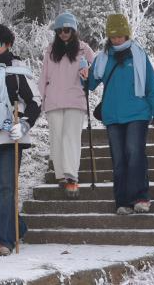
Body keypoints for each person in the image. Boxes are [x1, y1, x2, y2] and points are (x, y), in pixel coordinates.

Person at [85, 13, 154, 215]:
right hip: (112, 115)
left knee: (134, 152)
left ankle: (141, 197)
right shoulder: (103, 58)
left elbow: (151, 85)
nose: (116, 39)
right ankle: (122, 201)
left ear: (127, 34)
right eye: (112, 36)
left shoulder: (138, 55)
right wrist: (83, 74)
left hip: (138, 113)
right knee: (119, 158)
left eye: (120, 35)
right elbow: (90, 84)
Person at [0, 24, 41, 256]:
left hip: (11, 137)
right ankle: (18, 227)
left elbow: (35, 101)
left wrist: (24, 124)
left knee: (4, 187)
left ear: (8, 44)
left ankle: (3, 241)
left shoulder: (19, 71)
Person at [40, 11, 96, 199]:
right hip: (54, 99)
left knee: (70, 137)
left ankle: (72, 176)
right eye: (59, 30)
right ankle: (62, 175)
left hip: (75, 99)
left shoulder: (84, 49)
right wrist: (40, 99)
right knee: (57, 138)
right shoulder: (50, 50)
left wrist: (87, 72)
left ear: (73, 30)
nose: (63, 33)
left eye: (67, 30)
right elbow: (43, 76)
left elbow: (96, 70)